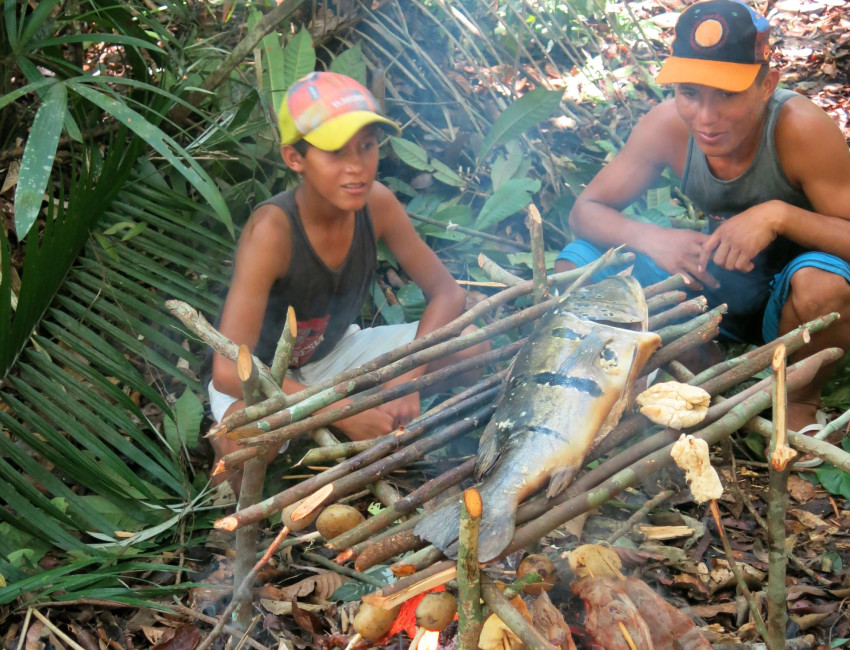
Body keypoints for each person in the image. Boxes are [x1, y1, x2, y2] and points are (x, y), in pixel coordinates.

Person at [554, 0, 850, 438]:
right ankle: (700, 360)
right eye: (689, 93)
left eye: (727, 95)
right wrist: (652, 238)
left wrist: (779, 216)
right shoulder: (667, 126)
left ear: (767, 85)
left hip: (793, 297)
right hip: (715, 281)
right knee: (574, 266)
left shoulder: (798, 128)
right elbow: (586, 211)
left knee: (822, 287)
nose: (706, 118)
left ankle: (800, 399)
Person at [207, 71, 485, 485]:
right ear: (294, 158)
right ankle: (224, 523)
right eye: (335, 152)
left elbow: (447, 293)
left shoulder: (378, 205)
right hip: (265, 376)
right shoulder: (271, 232)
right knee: (240, 442)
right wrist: (340, 413)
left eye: (367, 147)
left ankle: (401, 431)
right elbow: (230, 370)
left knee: (473, 346)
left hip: (333, 355)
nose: (357, 167)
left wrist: (409, 380)